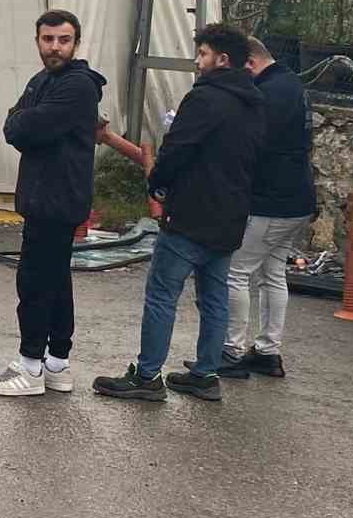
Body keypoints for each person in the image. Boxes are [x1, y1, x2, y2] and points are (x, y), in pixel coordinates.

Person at [94, 23, 265, 403]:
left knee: (161, 294)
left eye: (202, 54)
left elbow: (177, 149)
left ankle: (148, 375)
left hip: (190, 217)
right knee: (214, 297)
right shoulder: (254, 103)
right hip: (230, 218)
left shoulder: (204, 98)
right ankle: (205, 374)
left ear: (222, 60)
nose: (196, 62)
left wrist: (157, 182)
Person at [0, 10, 106, 397]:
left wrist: (23, 123)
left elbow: (28, 126)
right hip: (43, 196)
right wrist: (22, 123)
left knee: (35, 282)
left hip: (58, 198)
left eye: (63, 39)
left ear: (76, 42)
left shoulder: (78, 87)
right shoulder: (42, 80)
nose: (55, 46)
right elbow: (14, 126)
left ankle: (31, 367)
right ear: (37, 40)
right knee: (55, 280)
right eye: (48, 39)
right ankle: (57, 364)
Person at [221, 36, 316, 379]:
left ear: (249, 63)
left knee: (236, 271)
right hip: (298, 199)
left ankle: (230, 351)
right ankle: (267, 351)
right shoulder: (291, 83)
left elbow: (252, 142)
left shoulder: (268, 93)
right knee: (272, 273)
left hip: (270, 201)